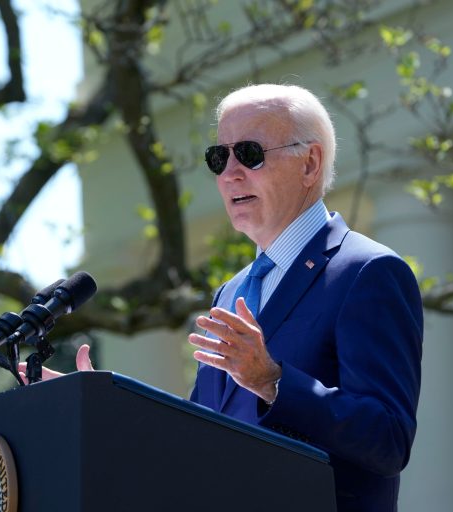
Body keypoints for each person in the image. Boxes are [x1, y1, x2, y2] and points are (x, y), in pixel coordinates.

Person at [24, 84, 423, 512]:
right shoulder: (231, 292)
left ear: (310, 163)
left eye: (249, 153)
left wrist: (272, 381)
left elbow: (388, 440)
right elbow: (197, 437)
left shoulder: (367, 271)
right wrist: (99, 403)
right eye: (219, 158)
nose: (230, 172)